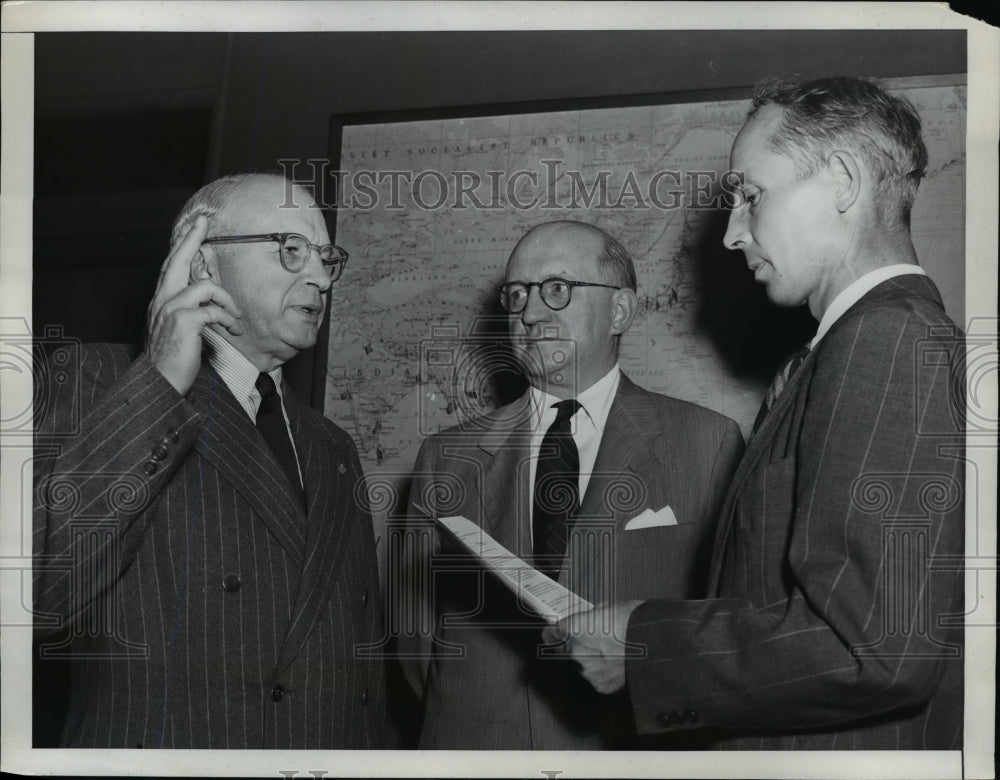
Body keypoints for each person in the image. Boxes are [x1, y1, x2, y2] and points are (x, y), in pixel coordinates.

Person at [551, 76, 966, 749]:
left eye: (751, 195)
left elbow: (871, 647)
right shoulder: (859, 347)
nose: (732, 233)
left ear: (840, 181)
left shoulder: (886, 342)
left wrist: (646, 644)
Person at [33, 173, 385, 749]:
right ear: (202, 263)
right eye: (291, 249)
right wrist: (162, 381)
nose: (320, 278)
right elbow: (34, 593)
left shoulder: (334, 446)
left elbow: (361, 671)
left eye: (326, 258)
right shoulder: (97, 384)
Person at [394, 220, 745, 749]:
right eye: (517, 295)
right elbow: (416, 646)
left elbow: (723, 630)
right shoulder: (444, 459)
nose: (530, 313)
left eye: (557, 289)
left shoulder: (707, 443)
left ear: (620, 311)